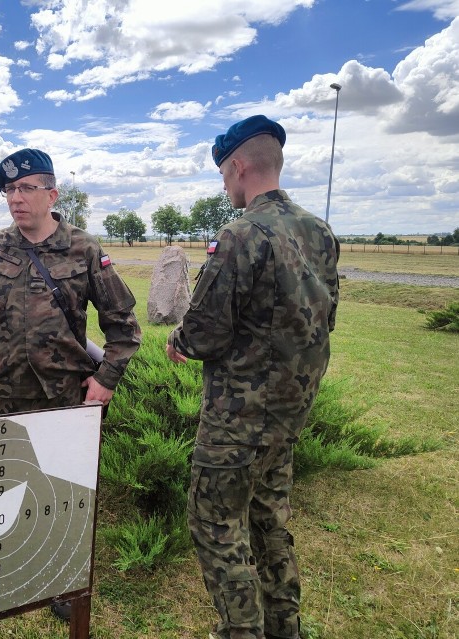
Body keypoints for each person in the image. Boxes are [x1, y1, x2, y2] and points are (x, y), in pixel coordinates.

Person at [0, 147, 142, 619]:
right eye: (9, 190)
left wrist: (105, 382)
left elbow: (123, 326)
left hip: (64, 397)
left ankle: (59, 576)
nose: (15, 198)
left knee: (62, 490)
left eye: (26, 188)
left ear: (52, 193)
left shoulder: (84, 250)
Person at [165, 115, 340, 639]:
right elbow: (323, 321)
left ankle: (239, 632)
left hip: (237, 421)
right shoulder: (320, 232)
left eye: (223, 174)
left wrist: (178, 341)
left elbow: (204, 332)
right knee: (268, 522)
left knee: (216, 526)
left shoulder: (241, 234)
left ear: (239, 167)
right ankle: (285, 626)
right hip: (287, 417)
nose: (223, 185)